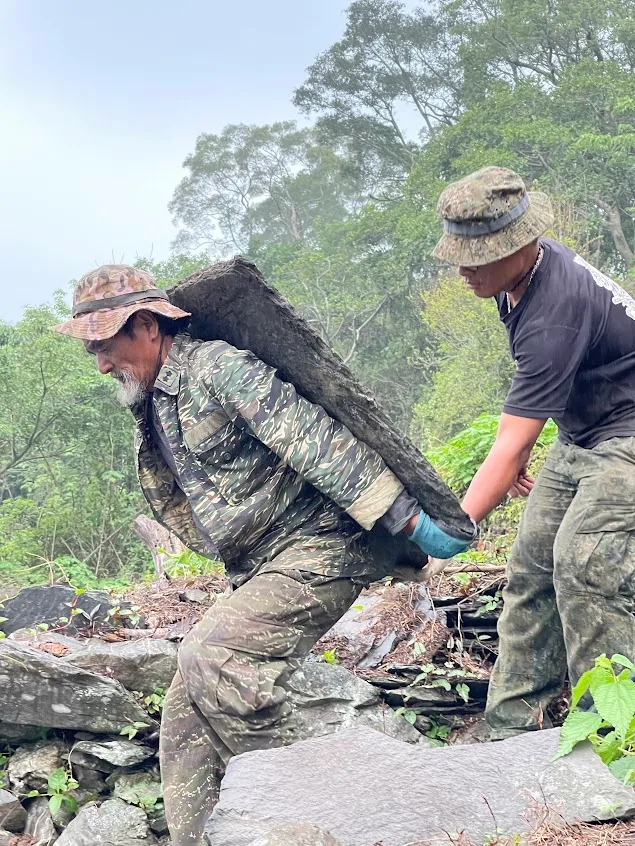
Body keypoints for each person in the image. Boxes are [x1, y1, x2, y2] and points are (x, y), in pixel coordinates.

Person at [53, 265, 474, 846]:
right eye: (93, 350)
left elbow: (319, 441)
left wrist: (406, 521)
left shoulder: (219, 368)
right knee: (185, 708)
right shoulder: (153, 405)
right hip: (265, 565)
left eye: (106, 345)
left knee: (214, 655)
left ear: (147, 326)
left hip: (325, 546)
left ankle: (337, 819)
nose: (100, 363)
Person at [433, 166, 635, 739]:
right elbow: (526, 410)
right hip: (583, 434)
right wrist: (519, 447)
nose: (464, 269)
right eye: (460, 255)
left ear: (519, 245)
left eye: (478, 255)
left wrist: (447, 536)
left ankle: (612, 742)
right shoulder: (517, 279)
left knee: (585, 566)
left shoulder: (554, 309)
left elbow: (507, 443)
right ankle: (511, 729)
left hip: (628, 438)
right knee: (530, 566)